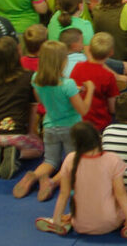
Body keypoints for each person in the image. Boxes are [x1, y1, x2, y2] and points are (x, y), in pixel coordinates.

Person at [36, 121, 127, 238]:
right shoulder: (112, 159)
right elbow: (120, 193)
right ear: (98, 137)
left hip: (80, 224)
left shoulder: (70, 159)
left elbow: (64, 194)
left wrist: (56, 219)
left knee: (82, 203)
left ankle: (63, 220)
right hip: (109, 223)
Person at [14, 41, 94, 201]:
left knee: (50, 160)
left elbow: (41, 101)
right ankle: (53, 182)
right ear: (63, 61)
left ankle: (34, 176)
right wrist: (90, 90)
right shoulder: (68, 84)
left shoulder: (36, 78)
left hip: (50, 126)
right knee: (74, 162)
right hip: (71, 128)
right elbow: (83, 110)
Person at [0, 36, 42, 178]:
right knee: (39, 149)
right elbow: (33, 109)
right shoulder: (29, 77)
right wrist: (32, 134)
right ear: (18, 53)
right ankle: (16, 154)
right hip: (15, 135)